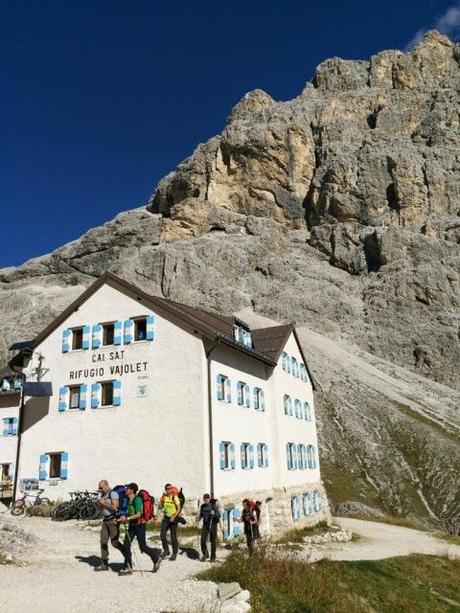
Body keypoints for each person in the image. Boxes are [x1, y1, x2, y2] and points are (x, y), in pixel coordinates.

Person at [118, 483, 161, 575]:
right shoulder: (129, 500)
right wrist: (122, 518)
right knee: (126, 545)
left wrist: (127, 518)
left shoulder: (137, 499)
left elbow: (139, 514)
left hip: (140, 525)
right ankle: (128, 567)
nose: (125, 489)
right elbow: (130, 513)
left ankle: (156, 558)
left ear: (132, 490)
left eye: (127, 488)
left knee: (143, 547)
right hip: (132, 525)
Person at [95, 480, 126, 571]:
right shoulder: (103, 495)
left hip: (113, 520)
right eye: (99, 488)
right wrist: (99, 505)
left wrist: (104, 503)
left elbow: (114, 507)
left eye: (101, 487)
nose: (100, 489)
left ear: (106, 485)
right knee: (103, 542)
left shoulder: (113, 493)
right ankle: (104, 564)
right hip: (105, 520)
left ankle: (127, 556)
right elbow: (101, 510)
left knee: (114, 542)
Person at [158, 483, 181, 561]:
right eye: (167, 488)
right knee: (162, 535)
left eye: (170, 488)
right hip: (166, 518)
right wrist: (161, 500)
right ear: (165, 489)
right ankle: (166, 550)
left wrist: (174, 516)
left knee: (173, 536)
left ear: (171, 489)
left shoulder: (175, 497)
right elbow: (160, 507)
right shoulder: (164, 497)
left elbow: (178, 508)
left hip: (173, 518)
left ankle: (174, 553)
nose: (168, 489)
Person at [196, 493, 220, 562]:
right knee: (203, 540)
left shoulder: (213, 506)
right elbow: (201, 515)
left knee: (213, 541)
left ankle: (213, 557)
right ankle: (205, 554)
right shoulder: (202, 506)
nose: (206, 499)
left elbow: (219, 515)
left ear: (209, 498)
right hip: (205, 525)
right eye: (205, 498)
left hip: (213, 525)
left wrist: (214, 514)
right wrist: (199, 518)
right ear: (203, 499)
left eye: (207, 498)